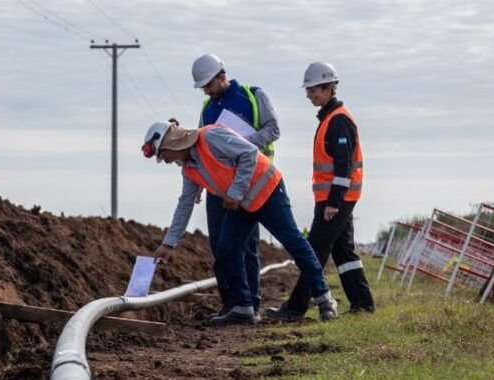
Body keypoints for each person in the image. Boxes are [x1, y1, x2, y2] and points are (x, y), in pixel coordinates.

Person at [146, 120, 338, 325]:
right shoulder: (189, 170)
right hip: (243, 204)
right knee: (226, 248)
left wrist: (235, 193)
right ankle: (242, 307)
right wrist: (169, 243)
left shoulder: (210, 137)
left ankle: (325, 299)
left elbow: (249, 153)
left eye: (163, 154)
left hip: (268, 192)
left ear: (173, 143)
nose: (166, 161)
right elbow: (185, 205)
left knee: (293, 242)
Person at [266, 62, 375, 320]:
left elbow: (343, 166)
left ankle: (296, 307)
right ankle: (363, 304)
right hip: (336, 198)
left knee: (314, 250)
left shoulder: (338, 121)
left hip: (336, 199)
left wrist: (333, 202)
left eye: (313, 90)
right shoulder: (330, 118)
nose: (309, 95)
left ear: (328, 89)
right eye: (308, 90)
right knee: (343, 252)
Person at [186, 54, 281, 317]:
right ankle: (231, 303)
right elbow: (200, 145)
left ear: (221, 76)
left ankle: (251, 304)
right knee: (220, 246)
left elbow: (273, 129)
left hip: (249, 183)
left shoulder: (253, 96)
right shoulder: (207, 107)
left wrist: (243, 146)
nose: (206, 91)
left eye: (208, 85)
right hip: (218, 187)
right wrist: (198, 185)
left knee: (247, 246)